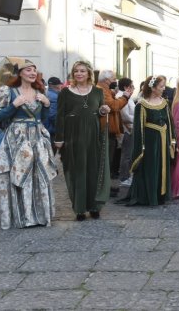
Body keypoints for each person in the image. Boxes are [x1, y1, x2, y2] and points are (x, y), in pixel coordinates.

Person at [0, 60, 57, 229]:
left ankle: (40, 216)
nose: (32, 72)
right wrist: (14, 105)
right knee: (20, 174)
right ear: (20, 73)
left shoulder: (40, 91)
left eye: (34, 70)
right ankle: (23, 217)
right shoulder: (8, 91)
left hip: (37, 137)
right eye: (28, 70)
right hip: (17, 138)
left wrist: (46, 104)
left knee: (39, 174)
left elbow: (43, 118)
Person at [55, 60, 111, 220]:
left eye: (82, 71)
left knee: (93, 170)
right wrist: (59, 138)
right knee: (76, 171)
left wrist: (102, 110)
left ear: (89, 74)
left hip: (93, 135)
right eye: (76, 71)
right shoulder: (65, 92)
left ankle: (94, 206)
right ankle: (79, 208)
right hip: (73, 135)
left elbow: (98, 111)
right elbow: (60, 116)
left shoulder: (98, 92)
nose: (79, 73)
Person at [123, 75, 176, 206]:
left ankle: (160, 195)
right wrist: (141, 147)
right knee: (151, 168)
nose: (164, 89)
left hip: (163, 142)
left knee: (162, 167)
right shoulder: (142, 105)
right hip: (150, 143)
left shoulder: (164, 103)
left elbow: (170, 123)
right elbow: (138, 128)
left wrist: (172, 140)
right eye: (161, 86)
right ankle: (149, 196)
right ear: (153, 88)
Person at [96, 70, 130, 182]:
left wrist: (114, 94)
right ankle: (103, 186)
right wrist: (124, 97)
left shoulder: (106, 90)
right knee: (105, 161)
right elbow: (114, 106)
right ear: (106, 80)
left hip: (109, 129)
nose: (115, 81)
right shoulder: (101, 90)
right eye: (113, 79)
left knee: (108, 160)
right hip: (106, 129)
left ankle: (105, 186)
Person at [117, 78, 136, 188]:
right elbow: (125, 116)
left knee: (129, 154)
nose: (133, 89)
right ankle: (124, 177)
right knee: (126, 155)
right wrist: (138, 118)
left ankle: (127, 175)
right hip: (127, 130)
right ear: (126, 87)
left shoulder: (127, 97)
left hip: (130, 128)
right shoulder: (121, 97)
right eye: (132, 86)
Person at [44, 76, 63, 148]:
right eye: (59, 84)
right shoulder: (55, 97)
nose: (60, 86)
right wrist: (59, 128)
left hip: (47, 127)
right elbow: (53, 115)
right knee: (51, 150)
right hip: (52, 129)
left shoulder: (47, 93)